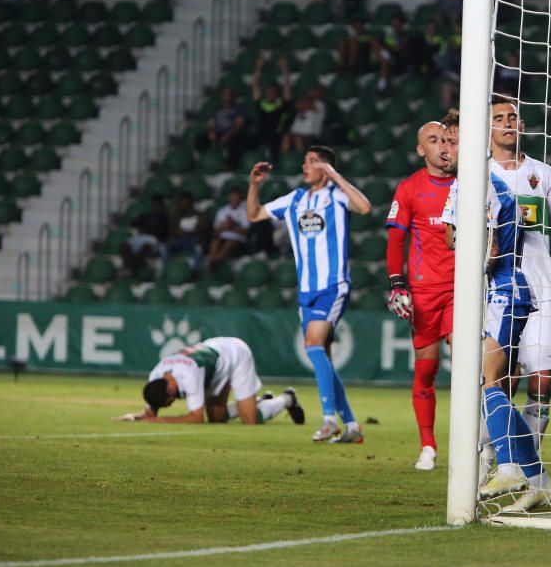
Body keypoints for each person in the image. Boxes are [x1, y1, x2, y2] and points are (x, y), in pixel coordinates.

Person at [442, 167, 551, 513]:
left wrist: (471, 255)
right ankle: (540, 482)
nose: (447, 149)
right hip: (491, 292)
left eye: (453, 141)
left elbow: (490, 248)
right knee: (487, 383)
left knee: (489, 381)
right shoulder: (463, 184)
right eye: (443, 141)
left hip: (504, 291)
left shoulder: (489, 188)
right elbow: (450, 236)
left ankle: (509, 468)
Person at [247, 146, 372, 443]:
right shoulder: (295, 200)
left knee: (313, 343)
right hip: (307, 290)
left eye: (313, 162)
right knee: (322, 356)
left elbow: (364, 207)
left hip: (333, 285)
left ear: (327, 167)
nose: (306, 166)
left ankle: (329, 420)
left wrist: (336, 176)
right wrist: (254, 185)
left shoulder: (338, 196)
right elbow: (254, 215)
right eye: (305, 161)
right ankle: (352, 425)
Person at [487, 96, 551, 456]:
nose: (508, 122)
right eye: (499, 117)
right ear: (489, 128)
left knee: (542, 376)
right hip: (496, 286)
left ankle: (529, 464)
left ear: (522, 126)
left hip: (540, 285)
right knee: (501, 376)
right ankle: (491, 457)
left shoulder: (542, 173)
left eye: (513, 116)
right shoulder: (480, 174)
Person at [385, 117, 458, 470]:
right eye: (433, 140)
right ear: (420, 150)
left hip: (464, 288)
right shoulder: (410, 188)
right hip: (425, 290)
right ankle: (427, 445)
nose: (443, 146)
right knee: (426, 371)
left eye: (447, 139)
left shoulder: (470, 183)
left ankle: (477, 444)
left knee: (468, 367)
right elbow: (396, 239)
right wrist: (397, 282)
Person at [116, 337, 305, 424]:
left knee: (250, 419)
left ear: (171, 393)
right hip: (214, 363)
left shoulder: (190, 374)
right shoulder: (156, 376)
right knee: (217, 418)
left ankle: (287, 398)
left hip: (235, 355)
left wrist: (160, 421)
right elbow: (151, 412)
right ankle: (258, 401)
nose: (173, 403)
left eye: (170, 402)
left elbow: (197, 418)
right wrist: (137, 416)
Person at [252, 56, 295, 162]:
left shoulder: (281, 104)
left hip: (276, 136)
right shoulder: (261, 103)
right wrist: (258, 67)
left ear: (277, 93)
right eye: (268, 91)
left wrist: (284, 68)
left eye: (273, 91)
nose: (270, 93)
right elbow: (255, 85)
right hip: (260, 135)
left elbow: (287, 87)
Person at [121, 193, 170, 275]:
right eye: (154, 204)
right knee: (124, 246)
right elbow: (133, 223)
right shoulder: (146, 216)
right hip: (141, 237)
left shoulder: (165, 218)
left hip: (154, 239)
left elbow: (164, 232)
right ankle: (129, 266)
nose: (155, 207)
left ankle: (130, 268)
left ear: (162, 205)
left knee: (145, 246)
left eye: (158, 204)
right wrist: (141, 229)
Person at [164, 192, 210, 272]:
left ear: (190, 203)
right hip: (180, 240)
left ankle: (195, 271)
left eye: (184, 202)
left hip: (194, 240)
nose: (182, 204)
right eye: (181, 202)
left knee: (199, 248)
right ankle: (167, 270)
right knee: (164, 248)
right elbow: (173, 230)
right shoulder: (177, 215)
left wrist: (187, 232)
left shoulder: (200, 214)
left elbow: (203, 229)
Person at [204, 87, 246, 170]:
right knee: (201, 140)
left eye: (229, 94)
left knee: (236, 142)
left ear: (232, 96)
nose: (226, 96)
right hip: (218, 132)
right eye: (225, 94)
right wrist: (212, 132)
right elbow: (211, 123)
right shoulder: (216, 108)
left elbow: (239, 125)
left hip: (233, 133)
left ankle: (230, 164)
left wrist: (228, 134)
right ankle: (207, 162)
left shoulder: (238, 108)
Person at [207, 187, 249, 265]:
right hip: (222, 237)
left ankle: (217, 260)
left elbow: (245, 231)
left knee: (229, 243)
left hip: (237, 240)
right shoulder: (222, 211)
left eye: (237, 197)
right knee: (215, 242)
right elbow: (216, 230)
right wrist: (224, 227)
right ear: (229, 197)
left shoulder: (244, 212)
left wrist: (231, 227)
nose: (235, 199)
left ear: (240, 198)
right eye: (233, 196)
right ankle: (212, 259)